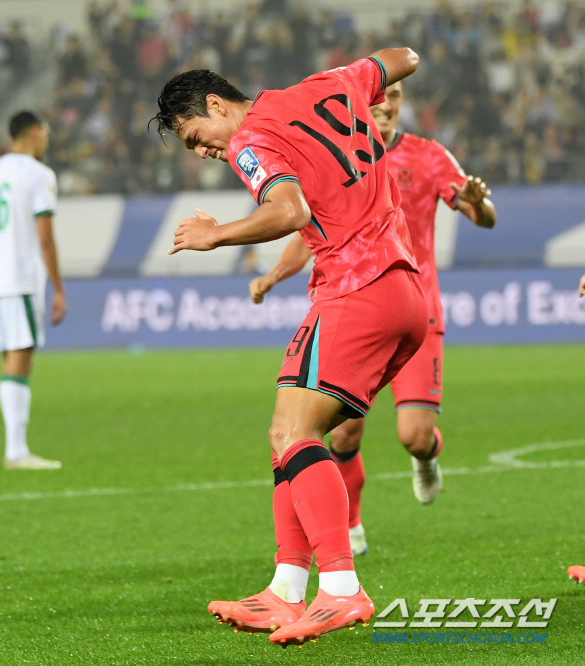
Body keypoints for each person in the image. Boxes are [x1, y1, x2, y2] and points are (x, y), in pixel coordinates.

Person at [152, 48, 426, 646]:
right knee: (292, 435)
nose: (203, 152)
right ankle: (284, 588)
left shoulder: (252, 139)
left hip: (356, 286)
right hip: (406, 290)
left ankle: (341, 588)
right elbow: (403, 57)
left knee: (291, 436)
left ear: (217, 104)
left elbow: (289, 209)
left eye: (197, 136)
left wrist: (215, 234)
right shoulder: (328, 84)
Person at [249, 81, 497, 555]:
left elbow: (480, 216)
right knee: (340, 428)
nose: (385, 105)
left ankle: (426, 456)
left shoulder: (428, 158)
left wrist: (478, 200)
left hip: (413, 307)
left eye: (397, 96)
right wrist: (272, 277)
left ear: (403, 104)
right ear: (360, 102)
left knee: (413, 435)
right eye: (380, 96)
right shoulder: (337, 153)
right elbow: (307, 229)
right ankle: (352, 524)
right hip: (357, 302)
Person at [0, 111, 66, 470]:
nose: (47, 139)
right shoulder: (38, 174)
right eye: (44, 132)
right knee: (21, 354)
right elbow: (44, 237)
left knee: (9, 356)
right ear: (32, 133)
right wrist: (59, 288)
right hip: (20, 274)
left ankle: (16, 448)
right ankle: (16, 451)